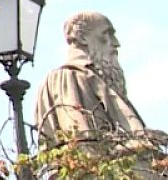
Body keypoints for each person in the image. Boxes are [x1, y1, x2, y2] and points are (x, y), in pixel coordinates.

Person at [35, 12, 150, 143]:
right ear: (82, 37)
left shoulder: (97, 79)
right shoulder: (67, 77)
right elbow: (82, 141)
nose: (116, 43)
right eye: (107, 34)